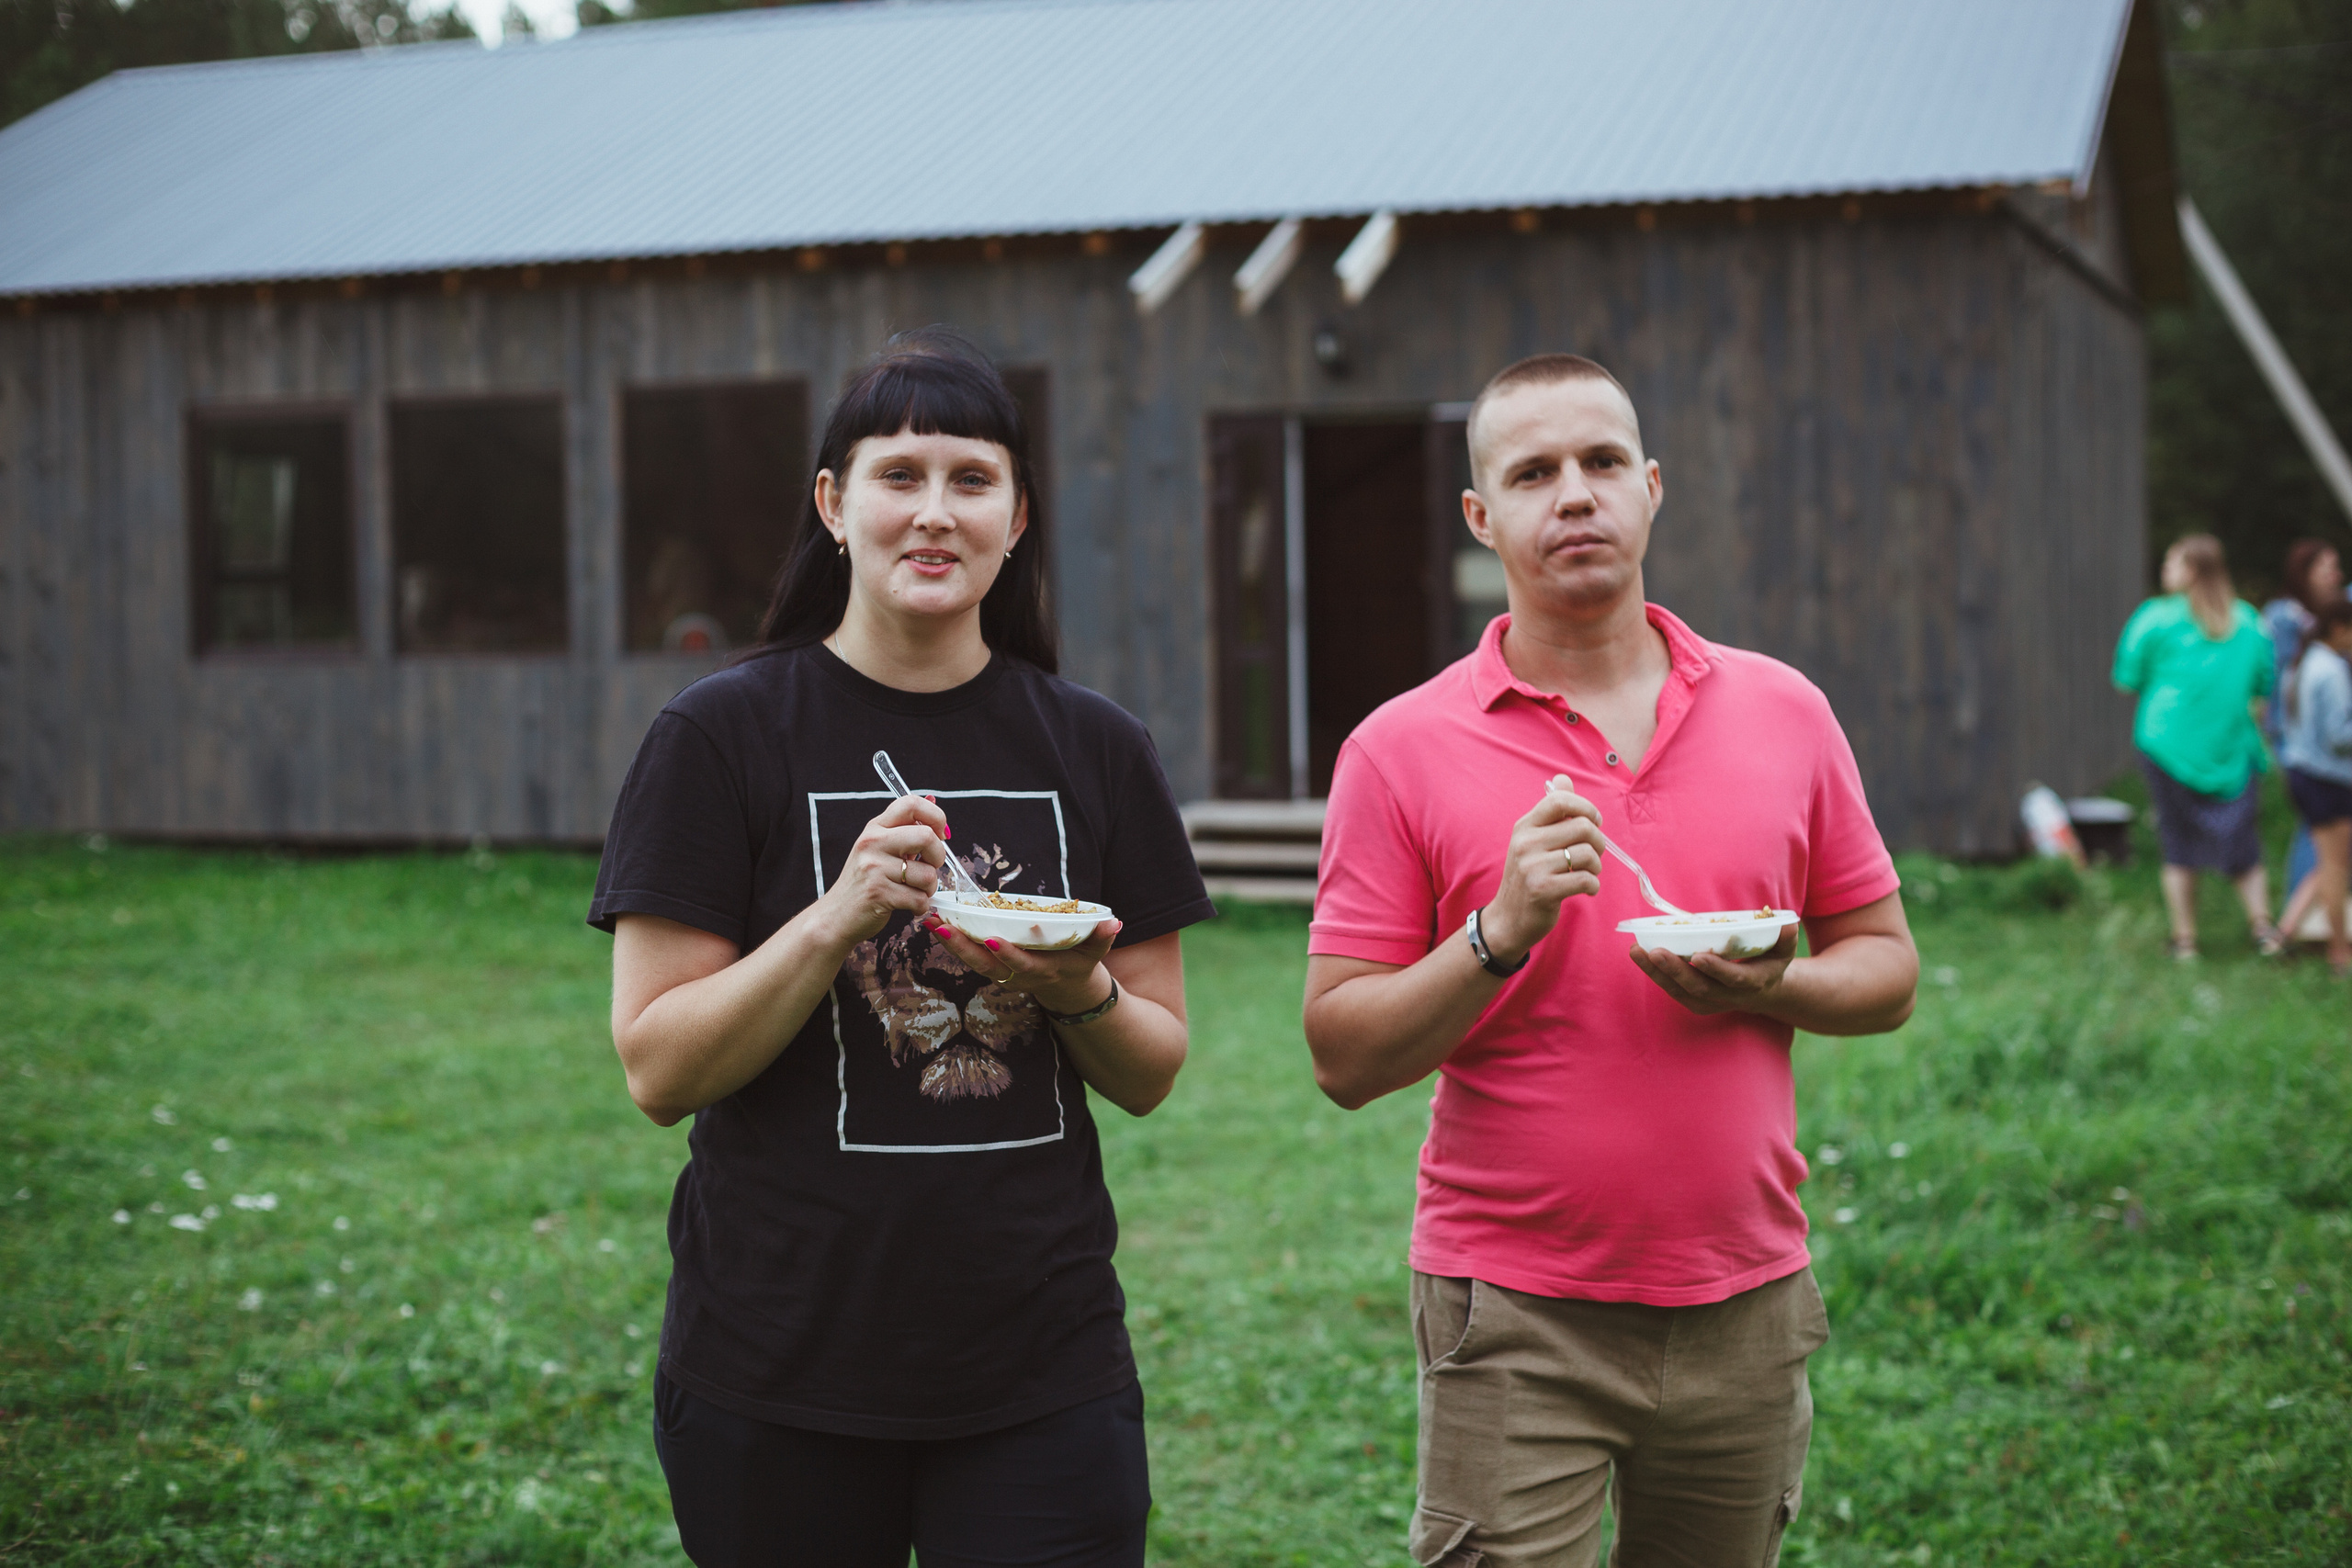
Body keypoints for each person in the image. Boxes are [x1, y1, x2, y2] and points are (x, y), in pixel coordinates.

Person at [588, 331, 1215, 1568]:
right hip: (778, 1366)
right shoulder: (719, 736)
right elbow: (659, 1069)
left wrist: (1076, 987)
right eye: (900, 474)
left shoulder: (1094, 747)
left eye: (973, 479)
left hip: (1042, 1363)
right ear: (834, 503)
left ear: (1019, 515)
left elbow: (1149, 1069)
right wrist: (834, 917)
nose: (935, 512)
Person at [1301, 353, 1918, 1568]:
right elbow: (1342, 1053)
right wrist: (1498, 931)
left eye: (1598, 463)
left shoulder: (1784, 709)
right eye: (1532, 472)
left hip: (1747, 1291)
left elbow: (1887, 967)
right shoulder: (1399, 748)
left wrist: (1770, 982)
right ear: (1483, 517)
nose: (1572, 494)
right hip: (1514, 1308)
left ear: (1650, 488)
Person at [2112, 534, 2281, 961]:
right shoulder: (2248, 621)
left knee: (2178, 841)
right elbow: (2265, 683)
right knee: (2244, 841)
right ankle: (2263, 928)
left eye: (2171, 562)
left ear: (2190, 570)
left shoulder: (2155, 617)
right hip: (2232, 748)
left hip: (2166, 743)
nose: (2165, 570)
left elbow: (2127, 677)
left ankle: (2185, 940)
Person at [2264, 539, 2347, 940]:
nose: (2336, 575)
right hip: (2313, 756)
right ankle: (2325, 942)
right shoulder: (2289, 624)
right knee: (2328, 855)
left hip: (2310, 755)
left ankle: (2290, 930)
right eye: (2326, 567)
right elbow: (2337, 733)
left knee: (2327, 854)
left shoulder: (2317, 654)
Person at [2280, 600, 2352, 975]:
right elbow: (2339, 736)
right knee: (2338, 867)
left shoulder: (2305, 662)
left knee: (2330, 863)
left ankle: (2284, 932)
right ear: (2339, 628)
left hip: (2304, 772)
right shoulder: (2332, 669)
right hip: (2329, 780)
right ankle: (2340, 954)